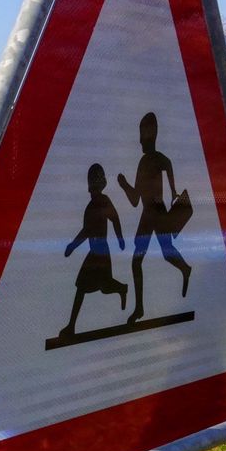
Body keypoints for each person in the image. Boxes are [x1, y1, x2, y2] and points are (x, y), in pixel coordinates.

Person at [117, 112, 191, 324]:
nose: (140, 140)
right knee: (145, 258)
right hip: (153, 213)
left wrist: (123, 184)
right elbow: (166, 192)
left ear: (149, 136)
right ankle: (140, 307)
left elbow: (134, 199)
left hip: (153, 214)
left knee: (147, 258)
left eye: (143, 135)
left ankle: (184, 270)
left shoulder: (150, 160)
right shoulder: (157, 160)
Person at [58, 163, 127, 339]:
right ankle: (71, 326)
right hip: (93, 252)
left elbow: (115, 218)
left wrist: (120, 238)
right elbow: (86, 231)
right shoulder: (90, 207)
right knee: (83, 287)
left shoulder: (104, 201)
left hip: (101, 252)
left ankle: (121, 288)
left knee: (100, 287)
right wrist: (72, 246)